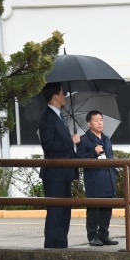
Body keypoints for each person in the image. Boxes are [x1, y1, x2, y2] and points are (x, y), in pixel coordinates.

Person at [38, 82, 80, 248]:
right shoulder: (47, 117)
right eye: (62, 93)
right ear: (55, 95)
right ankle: (52, 249)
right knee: (56, 214)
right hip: (55, 174)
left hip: (64, 173)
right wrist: (70, 140)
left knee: (64, 213)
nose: (65, 96)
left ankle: (61, 247)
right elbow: (48, 145)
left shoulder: (59, 115)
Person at [76, 110, 118, 247]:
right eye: (96, 120)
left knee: (107, 210)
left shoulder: (106, 138)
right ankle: (92, 236)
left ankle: (103, 235)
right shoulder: (84, 140)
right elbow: (79, 159)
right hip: (94, 180)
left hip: (108, 179)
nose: (100, 122)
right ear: (89, 123)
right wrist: (93, 152)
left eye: (101, 119)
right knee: (94, 210)